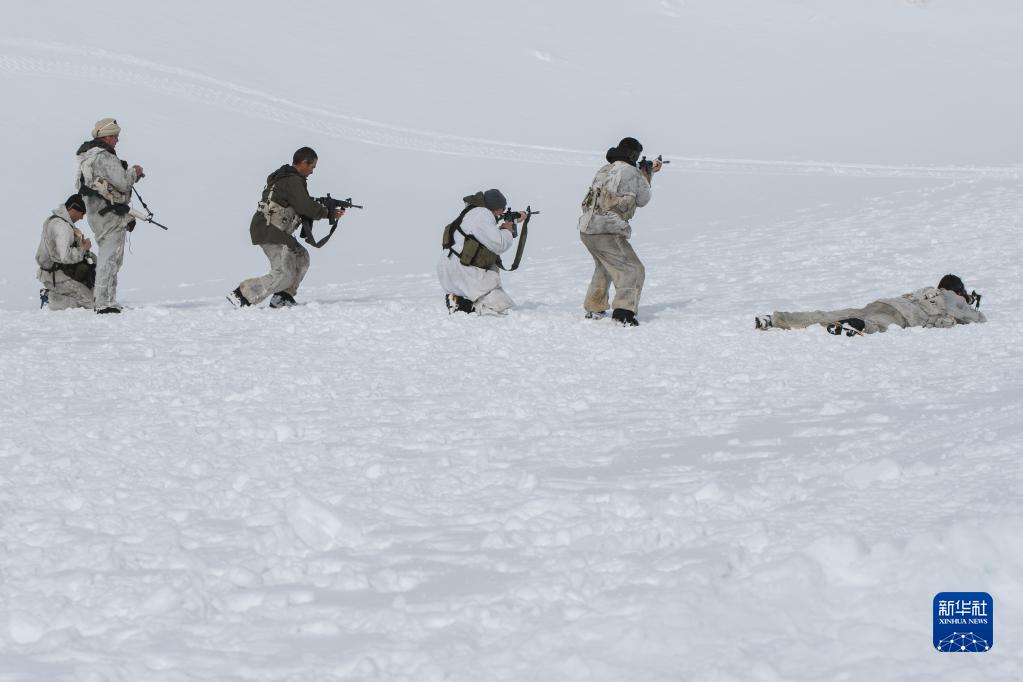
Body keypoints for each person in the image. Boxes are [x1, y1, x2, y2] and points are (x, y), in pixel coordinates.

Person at [228, 147, 344, 308]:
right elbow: (305, 206)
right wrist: (328, 213)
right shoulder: (292, 180)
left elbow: (299, 203)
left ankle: (283, 297)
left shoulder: (290, 179)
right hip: (269, 230)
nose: (312, 171)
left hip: (278, 231)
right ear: (304, 163)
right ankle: (242, 295)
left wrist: (322, 205)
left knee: (302, 258)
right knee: (283, 273)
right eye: (312, 167)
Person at [577, 136, 662, 326]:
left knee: (605, 266)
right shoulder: (633, 172)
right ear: (634, 155)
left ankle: (594, 307)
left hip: (587, 229)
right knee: (633, 268)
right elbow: (643, 199)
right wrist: (647, 175)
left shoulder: (604, 169)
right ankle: (623, 313)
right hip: (607, 231)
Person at [754, 274, 986, 335]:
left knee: (827, 314)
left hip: (886, 302)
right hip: (902, 314)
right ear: (958, 291)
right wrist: (967, 302)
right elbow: (977, 318)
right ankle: (856, 325)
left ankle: (776, 319)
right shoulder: (953, 298)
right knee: (877, 323)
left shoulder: (926, 290)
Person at [75, 117, 145, 314]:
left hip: (96, 214)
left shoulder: (88, 157)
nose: (117, 140)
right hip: (110, 214)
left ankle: (108, 300)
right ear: (106, 137)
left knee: (110, 256)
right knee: (110, 258)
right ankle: (103, 302)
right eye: (115, 136)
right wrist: (134, 172)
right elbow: (123, 183)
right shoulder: (105, 157)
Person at [438, 189, 525, 316]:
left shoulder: (473, 212)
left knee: (475, 292)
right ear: (495, 208)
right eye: (502, 209)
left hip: (449, 268)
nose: (503, 212)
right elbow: (499, 244)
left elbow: (484, 234)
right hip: (465, 270)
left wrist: (513, 221)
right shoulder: (483, 214)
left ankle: (455, 298)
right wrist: (507, 230)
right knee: (502, 308)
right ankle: (464, 306)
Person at [36, 194, 96, 311]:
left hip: (54, 272)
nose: (82, 217)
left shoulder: (55, 220)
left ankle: (56, 293)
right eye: (82, 213)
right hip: (57, 276)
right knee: (91, 303)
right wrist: (83, 248)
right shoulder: (62, 227)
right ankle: (50, 299)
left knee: (91, 294)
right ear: (73, 208)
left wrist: (79, 243)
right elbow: (65, 256)